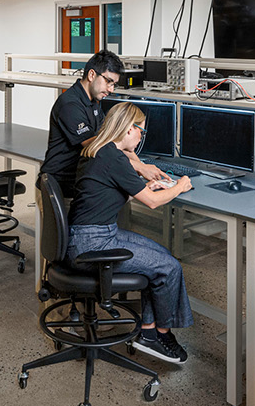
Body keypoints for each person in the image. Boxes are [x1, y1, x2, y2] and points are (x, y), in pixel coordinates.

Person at [67, 103, 195, 364]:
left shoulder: (99, 151)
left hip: (90, 236)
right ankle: (159, 335)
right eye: (141, 132)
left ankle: (149, 331)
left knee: (161, 255)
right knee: (169, 267)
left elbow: (110, 192)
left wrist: (147, 185)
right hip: (94, 244)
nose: (140, 137)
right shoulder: (113, 157)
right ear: (128, 129)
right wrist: (180, 186)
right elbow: (152, 203)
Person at [41, 50, 165, 196]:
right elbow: (96, 148)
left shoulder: (93, 102)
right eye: (108, 81)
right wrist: (138, 167)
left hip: (80, 181)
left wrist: (143, 167)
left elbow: (109, 140)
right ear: (92, 75)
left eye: (114, 84)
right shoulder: (70, 105)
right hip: (61, 187)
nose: (111, 89)